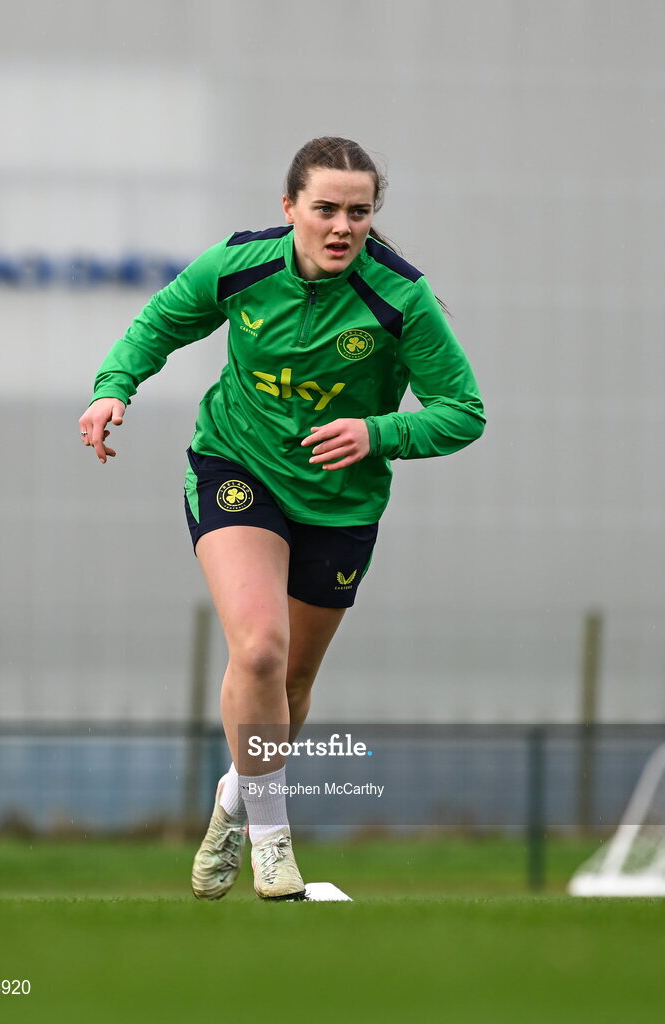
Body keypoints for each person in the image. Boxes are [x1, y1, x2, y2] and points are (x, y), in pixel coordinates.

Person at [79, 136, 485, 901]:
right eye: (325, 209)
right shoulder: (239, 265)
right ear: (290, 206)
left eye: (358, 213)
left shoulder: (401, 301)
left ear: (372, 217)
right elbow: (161, 322)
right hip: (238, 467)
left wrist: (378, 432)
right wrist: (114, 386)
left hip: (340, 503)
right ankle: (272, 843)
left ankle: (237, 800)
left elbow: (464, 413)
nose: (341, 226)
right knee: (260, 649)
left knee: (292, 682)